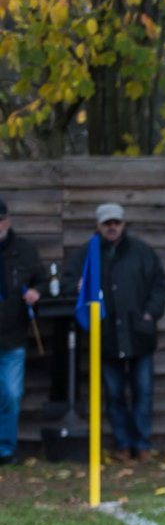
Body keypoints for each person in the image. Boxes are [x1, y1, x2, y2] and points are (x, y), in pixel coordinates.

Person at [65, 203, 165, 462]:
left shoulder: (142, 252)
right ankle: (123, 444)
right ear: (98, 226)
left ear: (123, 224)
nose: (112, 227)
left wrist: (149, 315)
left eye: (116, 222)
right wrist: (77, 286)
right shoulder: (87, 254)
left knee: (143, 393)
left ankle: (142, 444)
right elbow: (67, 280)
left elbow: (161, 286)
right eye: (107, 223)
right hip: (106, 338)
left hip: (139, 336)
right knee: (113, 395)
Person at [0, 199, 46, 466]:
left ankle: (5, 449)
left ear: (8, 220)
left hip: (13, 336)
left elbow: (41, 279)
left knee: (11, 395)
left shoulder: (25, 251)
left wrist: (36, 292)